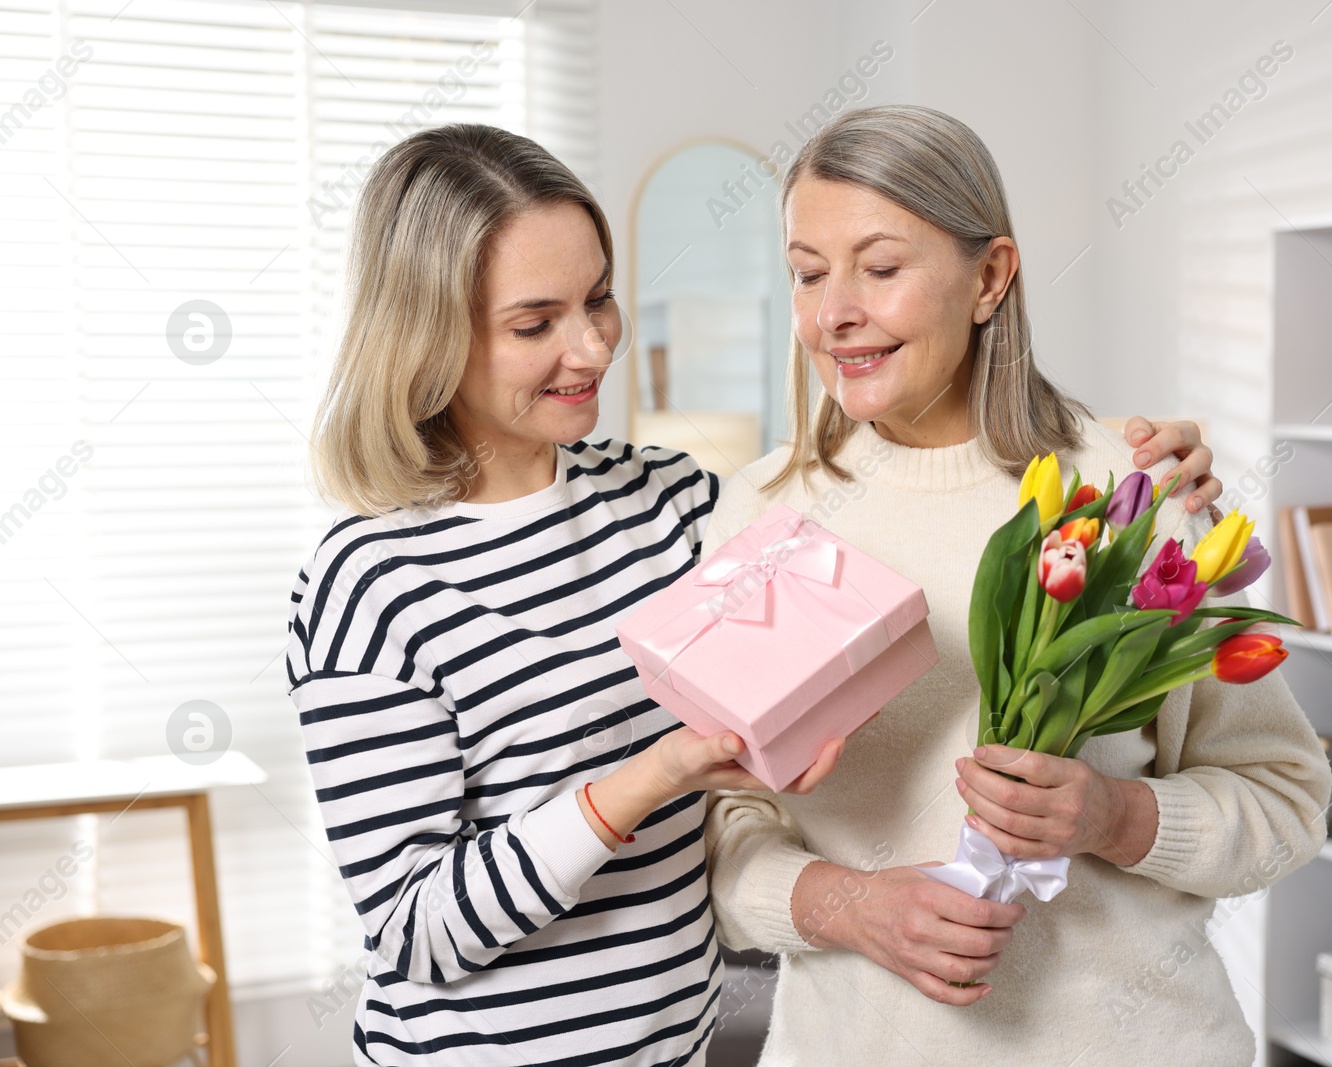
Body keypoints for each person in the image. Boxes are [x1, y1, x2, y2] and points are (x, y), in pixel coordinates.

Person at [284, 121, 1226, 1065]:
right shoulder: (368, 584)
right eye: (535, 325)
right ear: (427, 334)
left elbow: (897, 492)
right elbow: (414, 930)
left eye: (600, 299)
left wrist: (1123, 460)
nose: (593, 347)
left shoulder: (671, 503)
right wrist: (661, 772)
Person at [701, 105, 1332, 1065]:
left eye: (881, 267)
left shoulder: (1127, 496)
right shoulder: (763, 514)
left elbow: (1285, 801)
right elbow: (714, 820)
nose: (834, 313)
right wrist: (847, 906)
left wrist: (1117, 818)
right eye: (808, 272)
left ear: (990, 276)